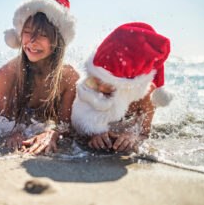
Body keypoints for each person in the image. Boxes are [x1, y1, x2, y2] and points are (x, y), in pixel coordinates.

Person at [0, 0, 79, 155]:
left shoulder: (69, 77)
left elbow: (67, 126)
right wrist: (13, 131)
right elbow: (0, 122)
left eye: (43, 35)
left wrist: (52, 134)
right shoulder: (7, 74)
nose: (32, 41)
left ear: (58, 39)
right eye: (27, 31)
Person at [71, 22, 172, 152]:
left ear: (129, 86)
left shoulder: (146, 96)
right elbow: (74, 124)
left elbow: (144, 133)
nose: (99, 88)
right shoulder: (90, 83)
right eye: (97, 80)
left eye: (107, 84)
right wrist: (93, 134)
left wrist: (133, 136)